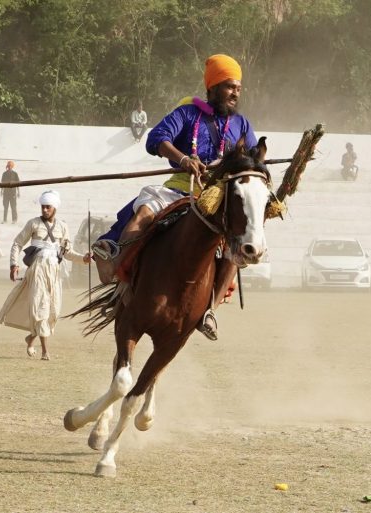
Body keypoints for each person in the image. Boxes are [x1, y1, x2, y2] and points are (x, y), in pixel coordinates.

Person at [92, 54, 257, 341]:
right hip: (179, 188)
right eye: (230, 87)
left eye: (238, 88)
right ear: (213, 87)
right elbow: (156, 138)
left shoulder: (241, 124)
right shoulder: (188, 113)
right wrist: (183, 159)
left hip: (217, 198)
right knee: (144, 212)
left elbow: (253, 160)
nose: (235, 93)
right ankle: (120, 272)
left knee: (237, 245)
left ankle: (210, 312)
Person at [0, 190, 91, 360]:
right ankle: (45, 351)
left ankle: (31, 338)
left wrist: (83, 259)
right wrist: (13, 264)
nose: (45, 210)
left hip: (54, 273)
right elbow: (17, 243)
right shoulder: (33, 224)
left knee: (54, 311)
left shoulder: (63, 227)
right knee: (41, 309)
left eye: (48, 207)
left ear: (54, 208)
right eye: (43, 207)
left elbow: (67, 252)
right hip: (37, 270)